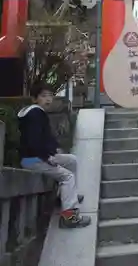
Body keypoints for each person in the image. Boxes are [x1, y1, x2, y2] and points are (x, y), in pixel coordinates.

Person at [18, 82, 91, 229]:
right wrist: (47, 157)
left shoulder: (37, 113)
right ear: (34, 99)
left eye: (50, 96)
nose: (48, 99)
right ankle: (69, 218)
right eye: (43, 96)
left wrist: (55, 150)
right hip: (34, 160)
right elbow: (34, 141)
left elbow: (45, 139)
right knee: (67, 176)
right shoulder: (35, 114)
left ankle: (64, 196)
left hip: (38, 156)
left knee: (71, 160)